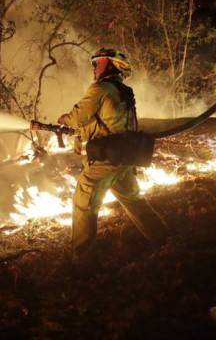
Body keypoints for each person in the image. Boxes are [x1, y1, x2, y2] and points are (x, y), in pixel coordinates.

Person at [58, 48, 169, 275]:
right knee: (133, 199)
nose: (94, 67)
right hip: (124, 158)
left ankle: (83, 264)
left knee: (83, 202)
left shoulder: (100, 88)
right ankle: (165, 241)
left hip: (106, 159)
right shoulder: (124, 91)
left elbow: (76, 118)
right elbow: (109, 122)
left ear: (111, 65)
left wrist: (63, 120)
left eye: (98, 62)